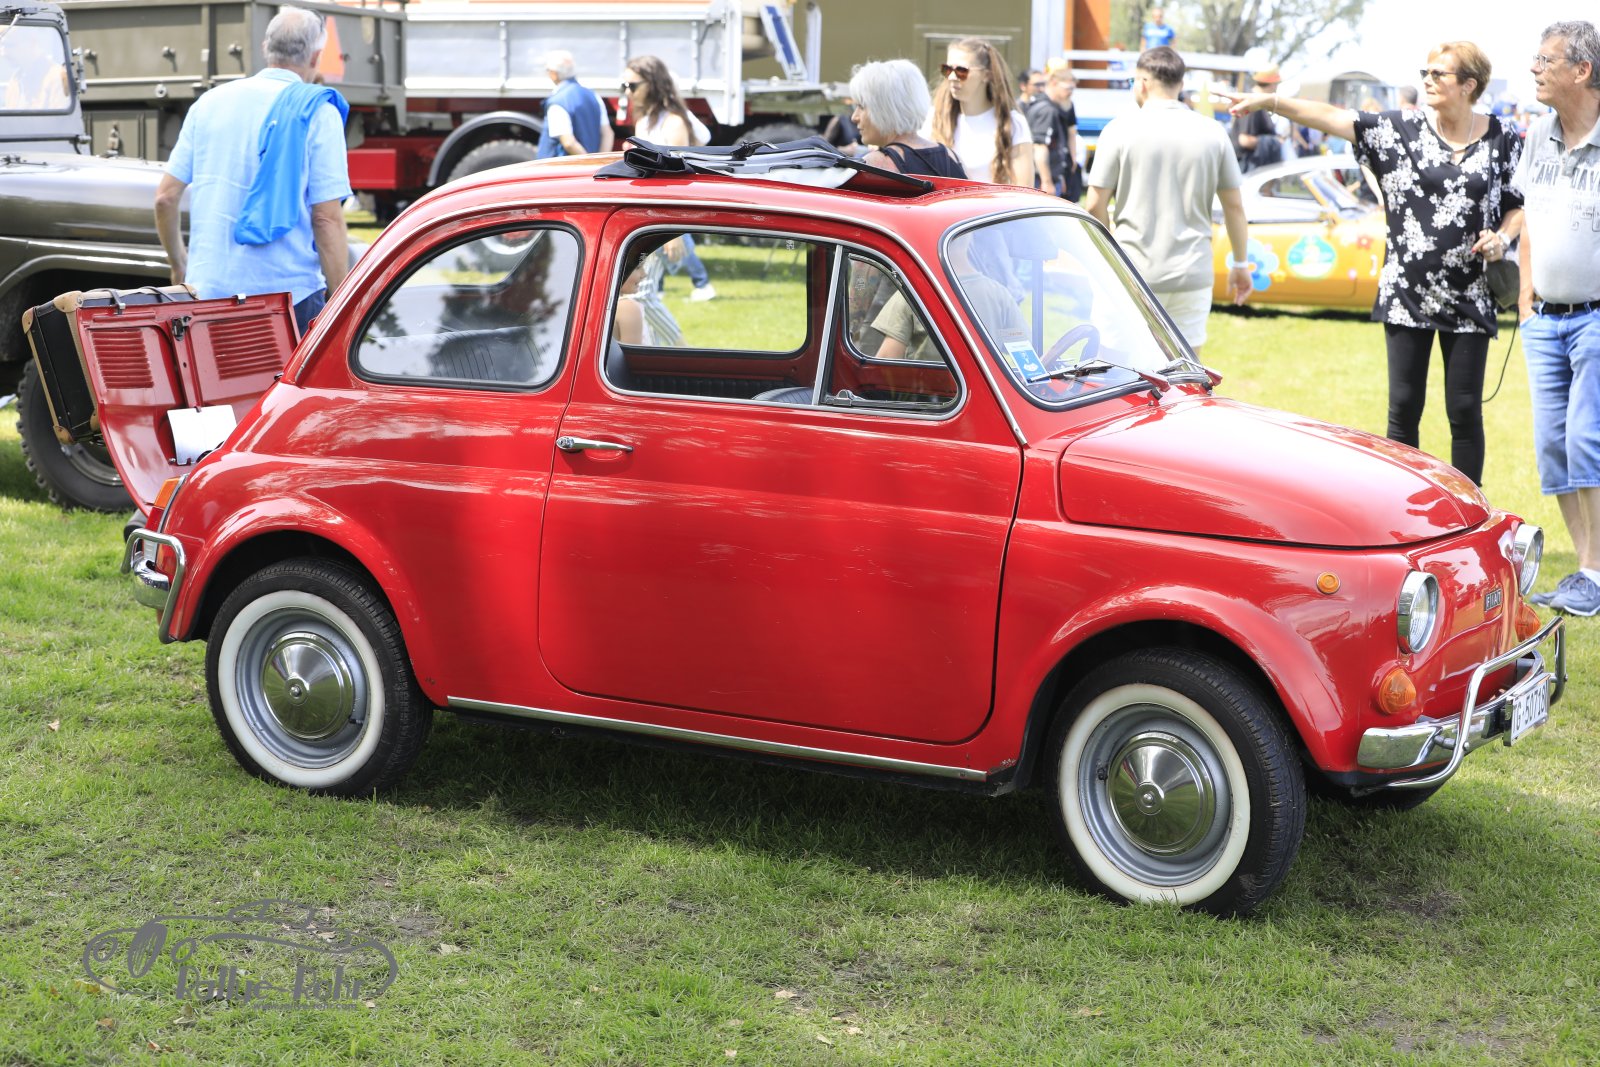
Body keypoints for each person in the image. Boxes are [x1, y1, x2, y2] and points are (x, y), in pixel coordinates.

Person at [1224, 40, 1524, 487]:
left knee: (1464, 410)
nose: (1427, 80)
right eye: (1424, 72)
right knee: (1403, 409)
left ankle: (1469, 511)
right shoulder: (1399, 129)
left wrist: (1502, 238)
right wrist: (1270, 101)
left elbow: (1516, 206)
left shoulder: (1502, 136)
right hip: (1407, 293)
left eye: (1438, 74)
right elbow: (1330, 117)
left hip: (1471, 293)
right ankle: (1402, 507)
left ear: (1469, 85)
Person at [152, 6, 350, 334]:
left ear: (265, 48)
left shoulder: (208, 104)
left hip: (208, 296)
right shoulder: (318, 112)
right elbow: (326, 218)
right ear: (317, 57)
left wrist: (179, 264)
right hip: (288, 299)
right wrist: (344, 304)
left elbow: (165, 198)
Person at [1085, 46, 1252, 355]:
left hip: (1130, 272)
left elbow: (1095, 205)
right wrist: (1240, 263)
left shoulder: (1119, 129)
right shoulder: (1213, 132)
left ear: (1142, 82)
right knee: (1187, 371)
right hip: (1192, 272)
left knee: (1119, 369)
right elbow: (1234, 207)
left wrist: (1105, 259)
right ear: (1180, 84)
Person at [1515, 21, 1600, 615]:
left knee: (1584, 439)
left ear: (1582, 70)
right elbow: (1530, 221)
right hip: (1543, 320)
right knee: (1553, 448)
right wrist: (1525, 298)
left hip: (1595, 317)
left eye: (1546, 60)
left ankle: (1593, 572)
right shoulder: (1536, 137)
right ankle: (1588, 568)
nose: (1535, 69)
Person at [620, 55, 716, 301]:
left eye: (633, 86)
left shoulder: (673, 123)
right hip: (645, 214)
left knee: (642, 297)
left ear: (652, 83)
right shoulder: (644, 121)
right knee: (643, 295)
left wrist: (673, 231)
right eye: (625, 86)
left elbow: (679, 181)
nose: (628, 92)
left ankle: (702, 286)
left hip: (662, 216)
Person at [927, 38, 1034, 186]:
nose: (952, 77)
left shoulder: (1013, 123)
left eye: (961, 70)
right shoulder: (934, 118)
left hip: (995, 201)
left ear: (986, 75)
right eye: (947, 69)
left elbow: (1024, 189)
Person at [849, 59, 964, 178]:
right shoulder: (951, 157)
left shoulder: (875, 165)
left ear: (885, 109)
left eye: (861, 106)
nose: (854, 117)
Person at [538, 49, 613, 158]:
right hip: (590, 165)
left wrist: (590, 163)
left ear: (554, 74)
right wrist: (600, 162)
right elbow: (608, 134)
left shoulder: (557, 102)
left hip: (564, 167)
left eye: (547, 70)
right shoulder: (593, 96)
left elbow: (569, 143)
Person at [1029, 67, 1081, 198]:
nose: (1070, 93)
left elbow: (1069, 134)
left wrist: (1060, 174)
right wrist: (1047, 181)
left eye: (1073, 89)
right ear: (1053, 83)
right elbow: (1039, 147)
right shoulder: (1046, 109)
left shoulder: (1057, 106)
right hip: (1041, 180)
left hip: (1050, 176)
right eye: (1068, 88)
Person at [1232, 66, 1283, 171]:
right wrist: (1275, 141)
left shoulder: (1256, 102)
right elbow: (1244, 140)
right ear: (1273, 84)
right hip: (1248, 166)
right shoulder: (1253, 103)